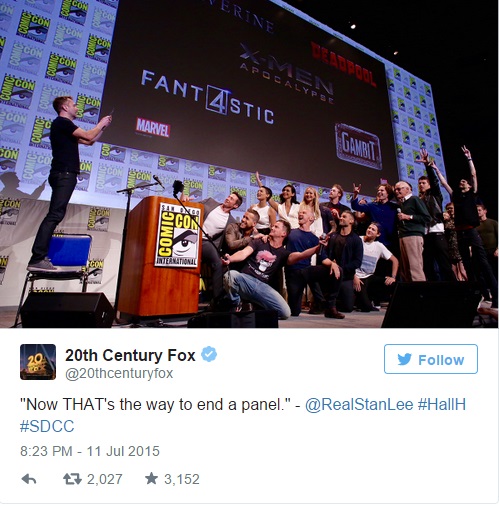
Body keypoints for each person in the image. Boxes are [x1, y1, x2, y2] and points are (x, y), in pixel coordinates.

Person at [27, 96, 112, 271]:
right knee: (55, 215)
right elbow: (88, 134)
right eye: (74, 105)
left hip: (63, 174)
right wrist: (100, 123)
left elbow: (89, 141)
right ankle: (37, 258)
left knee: (55, 214)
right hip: (64, 174)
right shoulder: (62, 123)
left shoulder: (64, 127)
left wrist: (103, 127)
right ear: (65, 107)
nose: (77, 107)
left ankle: (39, 257)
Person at [433, 146, 498, 307]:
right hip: (460, 233)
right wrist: (435, 169)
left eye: (464, 181)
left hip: (471, 231)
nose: (462, 181)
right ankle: (476, 295)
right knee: (468, 266)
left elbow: (473, 175)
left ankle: (496, 295)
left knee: (483, 263)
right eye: (461, 181)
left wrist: (469, 158)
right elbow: (443, 183)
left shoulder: (472, 194)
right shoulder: (455, 195)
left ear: (469, 186)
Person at [221, 220, 324, 319]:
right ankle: (236, 305)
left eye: (276, 227)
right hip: (246, 280)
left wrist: (316, 249)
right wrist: (230, 259)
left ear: (283, 233)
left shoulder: (283, 253)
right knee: (231, 275)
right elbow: (243, 253)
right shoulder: (259, 242)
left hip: (263, 287)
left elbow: (301, 255)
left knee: (285, 312)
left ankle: (255, 308)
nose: (272, 228)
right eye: (273, 226)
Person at [415, 149, 456, 282]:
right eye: (419, 183)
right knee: (427, 267)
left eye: (423, 183)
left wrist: (427, 165)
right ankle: (434, 292)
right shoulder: (419, 200)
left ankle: (456, 290)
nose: (421, 185)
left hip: (437, 234)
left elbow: (434, 181)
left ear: (429, 185)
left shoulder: (435, 195)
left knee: (445, 266)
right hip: (425, 236)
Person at [200, 192, 243, 308]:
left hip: (205, 242)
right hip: (191, 234)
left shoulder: (231, 222)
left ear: (235, 206)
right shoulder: (210, 202)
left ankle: (217, 300)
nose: (228, 198)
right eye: (229, 196)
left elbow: (228, 241)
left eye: (232, 199)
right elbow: (193, 207)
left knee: (218, 264)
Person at [284, 208, 323, 317]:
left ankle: (323, 303)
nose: (300, 214)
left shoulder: (314, 239)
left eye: (304, 212)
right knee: (294, 311)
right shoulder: (290, 233)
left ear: (311, 218)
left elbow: (323, 257)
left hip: (306, 270)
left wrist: (333, 265)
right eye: (299, 212)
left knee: (314, 272)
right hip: (292, 272)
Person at [353, 222, 398, 312]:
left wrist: (393, 277)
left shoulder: (378, 246)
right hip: (357, 277)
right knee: (366, 308)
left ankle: (374, 299)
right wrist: (354, 276)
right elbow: (347, 259)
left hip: (369, 277)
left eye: (373, 229)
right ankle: (363, 302)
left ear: (378, 234)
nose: (369, 230)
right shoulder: (358, 240)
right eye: (369, 228)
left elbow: (395, 260)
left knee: (393, 283)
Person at [393, 180, 431, 282]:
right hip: (403, 236)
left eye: (399, 189)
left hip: (413, 235)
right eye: (395, 190)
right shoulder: (401, 203)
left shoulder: (414, 199)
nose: (396, 191)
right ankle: (411, 291)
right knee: (406, 270)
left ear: (408, 189)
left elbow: (427, 218)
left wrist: (408, 217)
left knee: (415, 268)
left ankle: (420, 290)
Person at [351, 182, 399, 254]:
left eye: (382, 190)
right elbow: (355, 206)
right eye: (378, 190)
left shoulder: (394, 207)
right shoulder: (371, 206)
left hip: (391, 243)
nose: (379, 192)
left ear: (388, 193)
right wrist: (355, 194)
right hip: (375, 242)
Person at [443, 202, 468, 281]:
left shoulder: (459, 219)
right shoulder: (446, 220)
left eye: (451, 208)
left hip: (459, 246)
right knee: (454, 271)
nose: (449, 210)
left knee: (462, 270)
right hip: (450, 247)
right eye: (448, 209)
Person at [476, 204, 498, 283]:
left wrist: (498, 249)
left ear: (485, 211)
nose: (478, 212)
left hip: (494, 250)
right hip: (483, 251)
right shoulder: (476, 225)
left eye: (479, 210)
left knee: (496, 269)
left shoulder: (493, 222)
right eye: (476, 211)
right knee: (487, 271)